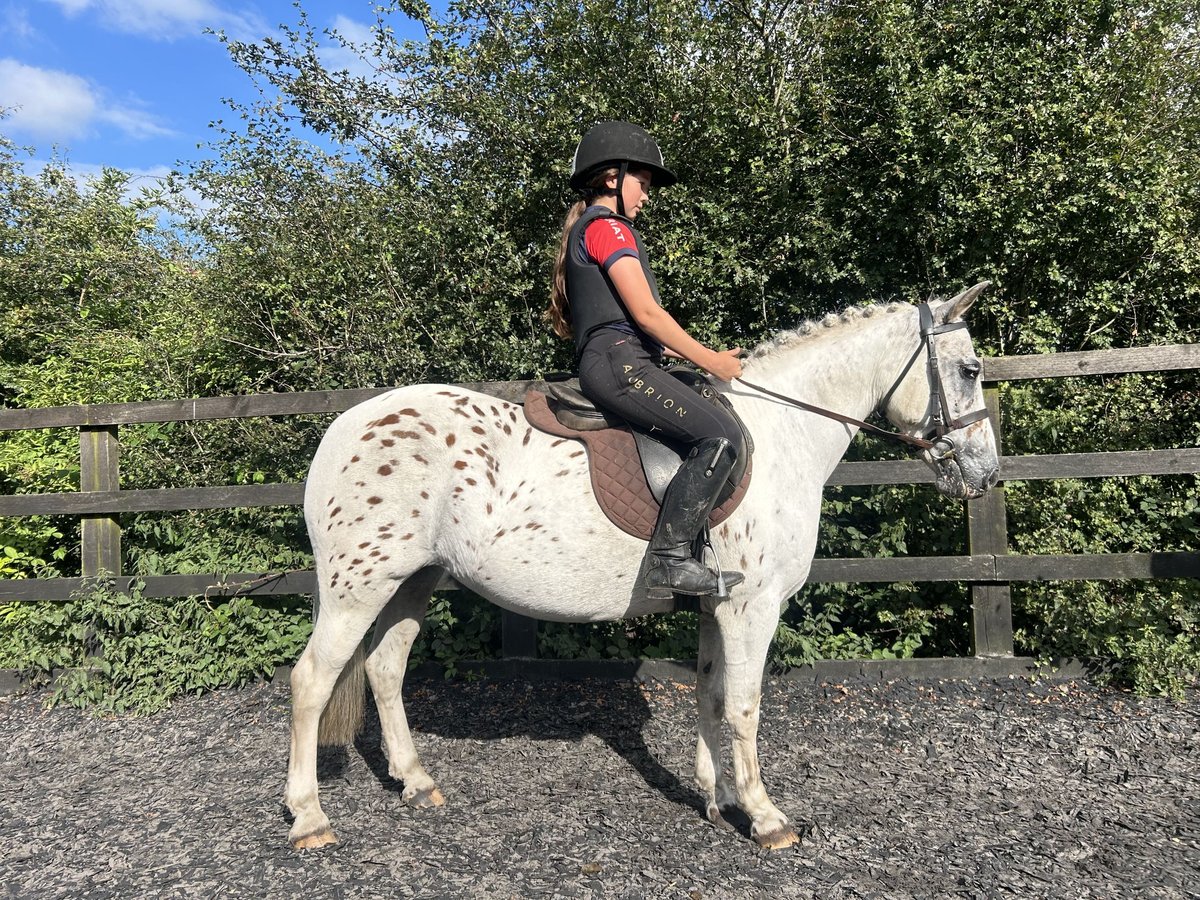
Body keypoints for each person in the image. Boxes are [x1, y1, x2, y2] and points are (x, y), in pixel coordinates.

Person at [547, 121, 746, 600]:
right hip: (621, 363)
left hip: (623, 358)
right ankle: (669, 559)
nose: (647, 196)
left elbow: (645, 325)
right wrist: (713, 363)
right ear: (612, 178)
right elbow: (646, 314)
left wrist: (701, 355)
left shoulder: (591, 229)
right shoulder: (609, 228)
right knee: (719, 435)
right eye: (643, 182)